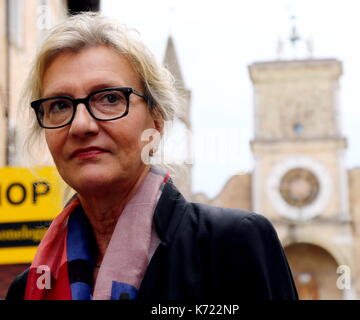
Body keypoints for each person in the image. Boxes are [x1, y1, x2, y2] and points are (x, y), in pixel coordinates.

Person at [6, 12, 298, 301]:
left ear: (156, 124)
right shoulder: (29, 289)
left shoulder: (232, 247)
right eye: (59, 105)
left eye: (109, 98)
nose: (81, 124)